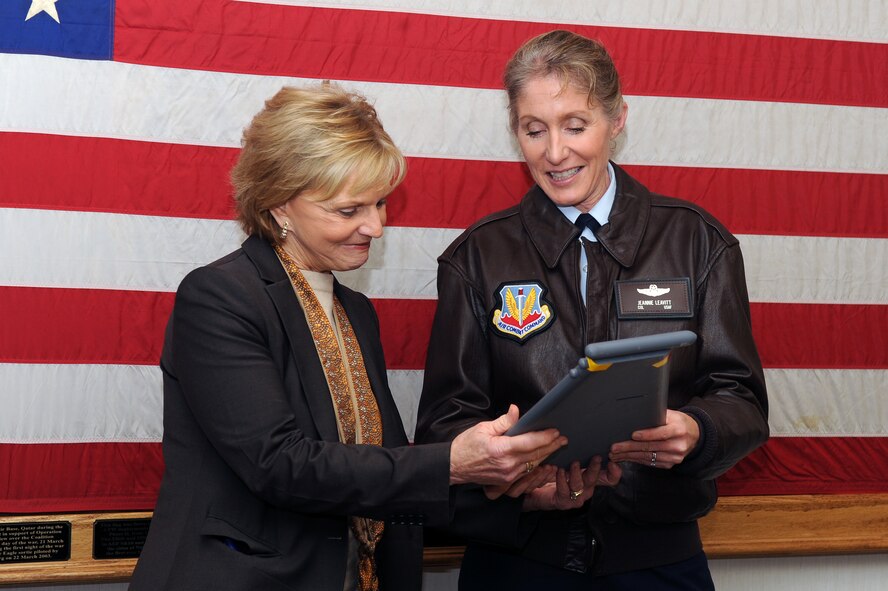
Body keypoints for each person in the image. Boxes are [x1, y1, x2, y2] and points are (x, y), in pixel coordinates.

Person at [128, 84, 568, 591]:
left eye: (380, 203)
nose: (376, 226)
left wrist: (514, 492)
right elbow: (280, 464)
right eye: (348, 210)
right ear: (278, 206)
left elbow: (383, 473)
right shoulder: (220, 297)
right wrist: (451, 462)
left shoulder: (354, 311)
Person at [414, 30, 769, 590]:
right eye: (535, 130)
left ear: (618, 119)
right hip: (518, 561)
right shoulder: (476, 257)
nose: (555, 153)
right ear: (515, 132)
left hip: (659, 560)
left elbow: (741, 399)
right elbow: (444, 425)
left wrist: (696, 430)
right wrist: (522, 480)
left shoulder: (698, 242)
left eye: (576, 126)